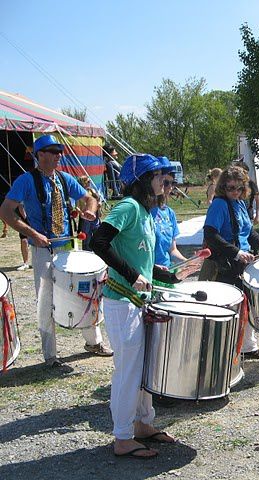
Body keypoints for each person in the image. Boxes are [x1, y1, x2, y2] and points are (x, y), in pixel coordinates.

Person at [90, 154, 196, 459]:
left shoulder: (148, 213)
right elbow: (99, 241)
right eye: (158, 177)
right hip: (122, 304)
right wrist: (131, 274)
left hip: (139, 303)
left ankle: (143, 424)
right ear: (141, 181)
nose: (164, 182)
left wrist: (173, 275)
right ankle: (122, 437)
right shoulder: (128, 207)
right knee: (128, 372)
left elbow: (145, 266)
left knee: (144, 367)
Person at [0, 135, 112, 368]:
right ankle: (50, 355)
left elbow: (89, 197)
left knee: (85, 291)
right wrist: (32, 234)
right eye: (52, 151)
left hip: (69, 246)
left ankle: (94, 342)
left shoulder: (64, 178)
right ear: (39, 155)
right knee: (46, 300)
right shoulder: (25, 181)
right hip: (43, 250)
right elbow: (6, 211)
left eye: (59, 151)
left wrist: (89, 211)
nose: (58, 155)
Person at [200, 165, 259, 360]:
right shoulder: (219, 205)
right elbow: (210, 234)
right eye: (229, 188)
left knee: (247, 304)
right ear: (222, 188)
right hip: (226, 264)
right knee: (230, 309)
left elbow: (248, 231)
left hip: (241, 262)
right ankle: (223, 353)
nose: (234, 192)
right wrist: (236, 253)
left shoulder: (240, 203)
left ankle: (248, 347)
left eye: (238, 188)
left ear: (245, 188)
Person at [152, 158, 189, 268]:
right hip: (147, 275)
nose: (169, 187)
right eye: (165, 182)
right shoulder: (143, 211)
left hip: (166, 271)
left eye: (172, 183)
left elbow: (172, 250)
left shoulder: (169, 213)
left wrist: (187, 262)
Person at [77, 176, 103, 251]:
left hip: (95, 216)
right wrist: (81, 214)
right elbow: (77, 206)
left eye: (89, 181)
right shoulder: (81, 192)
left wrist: (99, 206)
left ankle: (97, 250)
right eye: (88, 181)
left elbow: (98, 200)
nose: (90, 183)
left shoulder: (92, 191)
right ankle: (87, 251)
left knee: (97, 233)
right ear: (83, 183)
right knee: (86, 236)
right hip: (86, 217)